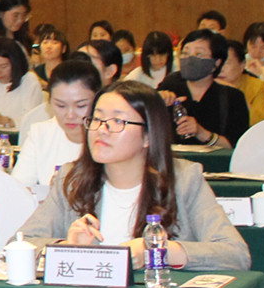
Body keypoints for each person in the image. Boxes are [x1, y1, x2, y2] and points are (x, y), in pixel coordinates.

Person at [19, 82, 248, 270]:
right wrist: (67, 247)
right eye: (97, 119)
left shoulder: (184, 179)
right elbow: (21, 244)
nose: (101, 129)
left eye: (118, 121)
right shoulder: (71, 178)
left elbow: (235, 254)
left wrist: (157, 250)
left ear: (148, 136)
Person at [11, 59, 99, 195]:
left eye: (81, 106)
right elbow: (18, 190)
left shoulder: (108, 137)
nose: (70, 115)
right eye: (61, 105)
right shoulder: (41, 133)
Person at [157, 29, 250, 146]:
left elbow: (237, 145)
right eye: (185, 53)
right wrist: (155, 101)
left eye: (198, 54)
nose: (190, 59)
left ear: (216, 62)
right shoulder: (169, 86)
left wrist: (202, 133)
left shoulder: (232, 97)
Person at [220, 38, 264, 129]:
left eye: (226, 63)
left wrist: (235, 92)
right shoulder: (206, 83)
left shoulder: (257, 87)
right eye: (216, 62)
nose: (220, 69)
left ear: (242, 65)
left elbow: (258, 123)